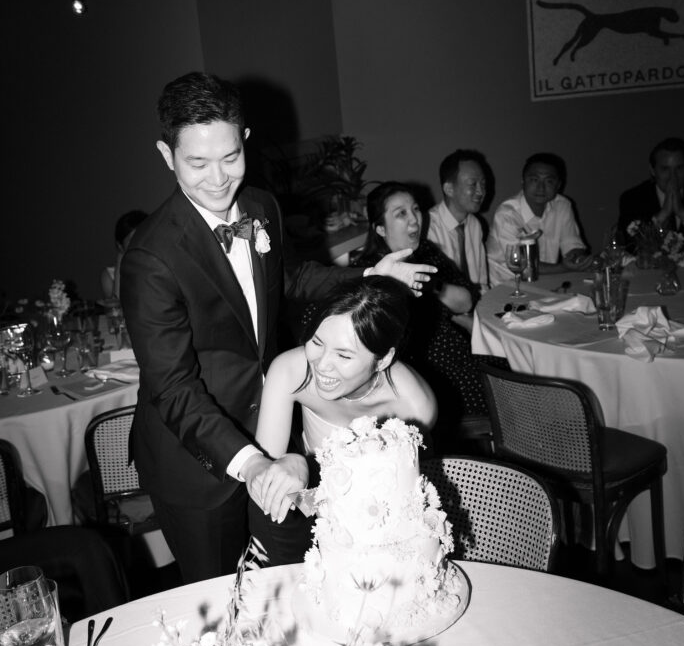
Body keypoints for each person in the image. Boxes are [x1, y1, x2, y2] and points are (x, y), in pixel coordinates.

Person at [120, 71, 435, 582]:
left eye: (230, 157)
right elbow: (173, 389)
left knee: (284, 581)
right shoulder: (150, 257)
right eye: (197, 163)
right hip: (194, 460)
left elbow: (288, 277)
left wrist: (370, 273)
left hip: (267, 422)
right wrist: (251, 463)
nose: (218, 178)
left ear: (245, 140)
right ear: (166, 155)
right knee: (228, 599)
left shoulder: (261, 207)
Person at [253, 276, 437, 531]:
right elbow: (267, 491)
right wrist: (294, 469)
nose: (322, 364)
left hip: (383, 526)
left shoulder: (413, 408)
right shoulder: (289, 371)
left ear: (383, 359)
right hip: (316, 521)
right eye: (317, 342)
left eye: (343, 355)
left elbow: (398, 509)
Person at [354, 182, 498, 449]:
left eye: (416, 210)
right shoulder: (369, 270)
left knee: (501, 369)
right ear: (380, 228)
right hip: (414, 365)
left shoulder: (426, 252)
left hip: (452, 350)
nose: (414, 220)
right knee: (489, 389)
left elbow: (465, 299)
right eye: (401, 213)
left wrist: (427, 282)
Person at [487, 153, 593, 283]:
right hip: (506, 285)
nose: (541, 188)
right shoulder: (507, 214)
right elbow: (522, 263)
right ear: (523, 181)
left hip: (544, 283)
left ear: (558, 185)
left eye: (549, 181)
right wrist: (563, 267)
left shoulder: (562, 205)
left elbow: (571, 244)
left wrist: (578, 259)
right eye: (534, 180)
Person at [427, 148, 490, 292]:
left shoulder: (474, 224)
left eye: (483, 184)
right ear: (449, 189)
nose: (481, 191)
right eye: (473, 184)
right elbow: (435, 293)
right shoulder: (428, 228)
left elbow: (482, 283)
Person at [618, 136, 684, 247]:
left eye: (679, 168)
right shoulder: (633, 198)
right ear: (652, 170)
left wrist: (683, 214)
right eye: (665, 169)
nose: (673, 177)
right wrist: (663, 214)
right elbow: (629, 245)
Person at [100, 209, 148, 299]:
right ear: (120, 246)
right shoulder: (110, 276)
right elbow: (117, 306)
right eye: (133, 240)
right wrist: (120, 259)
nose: (140, 244)